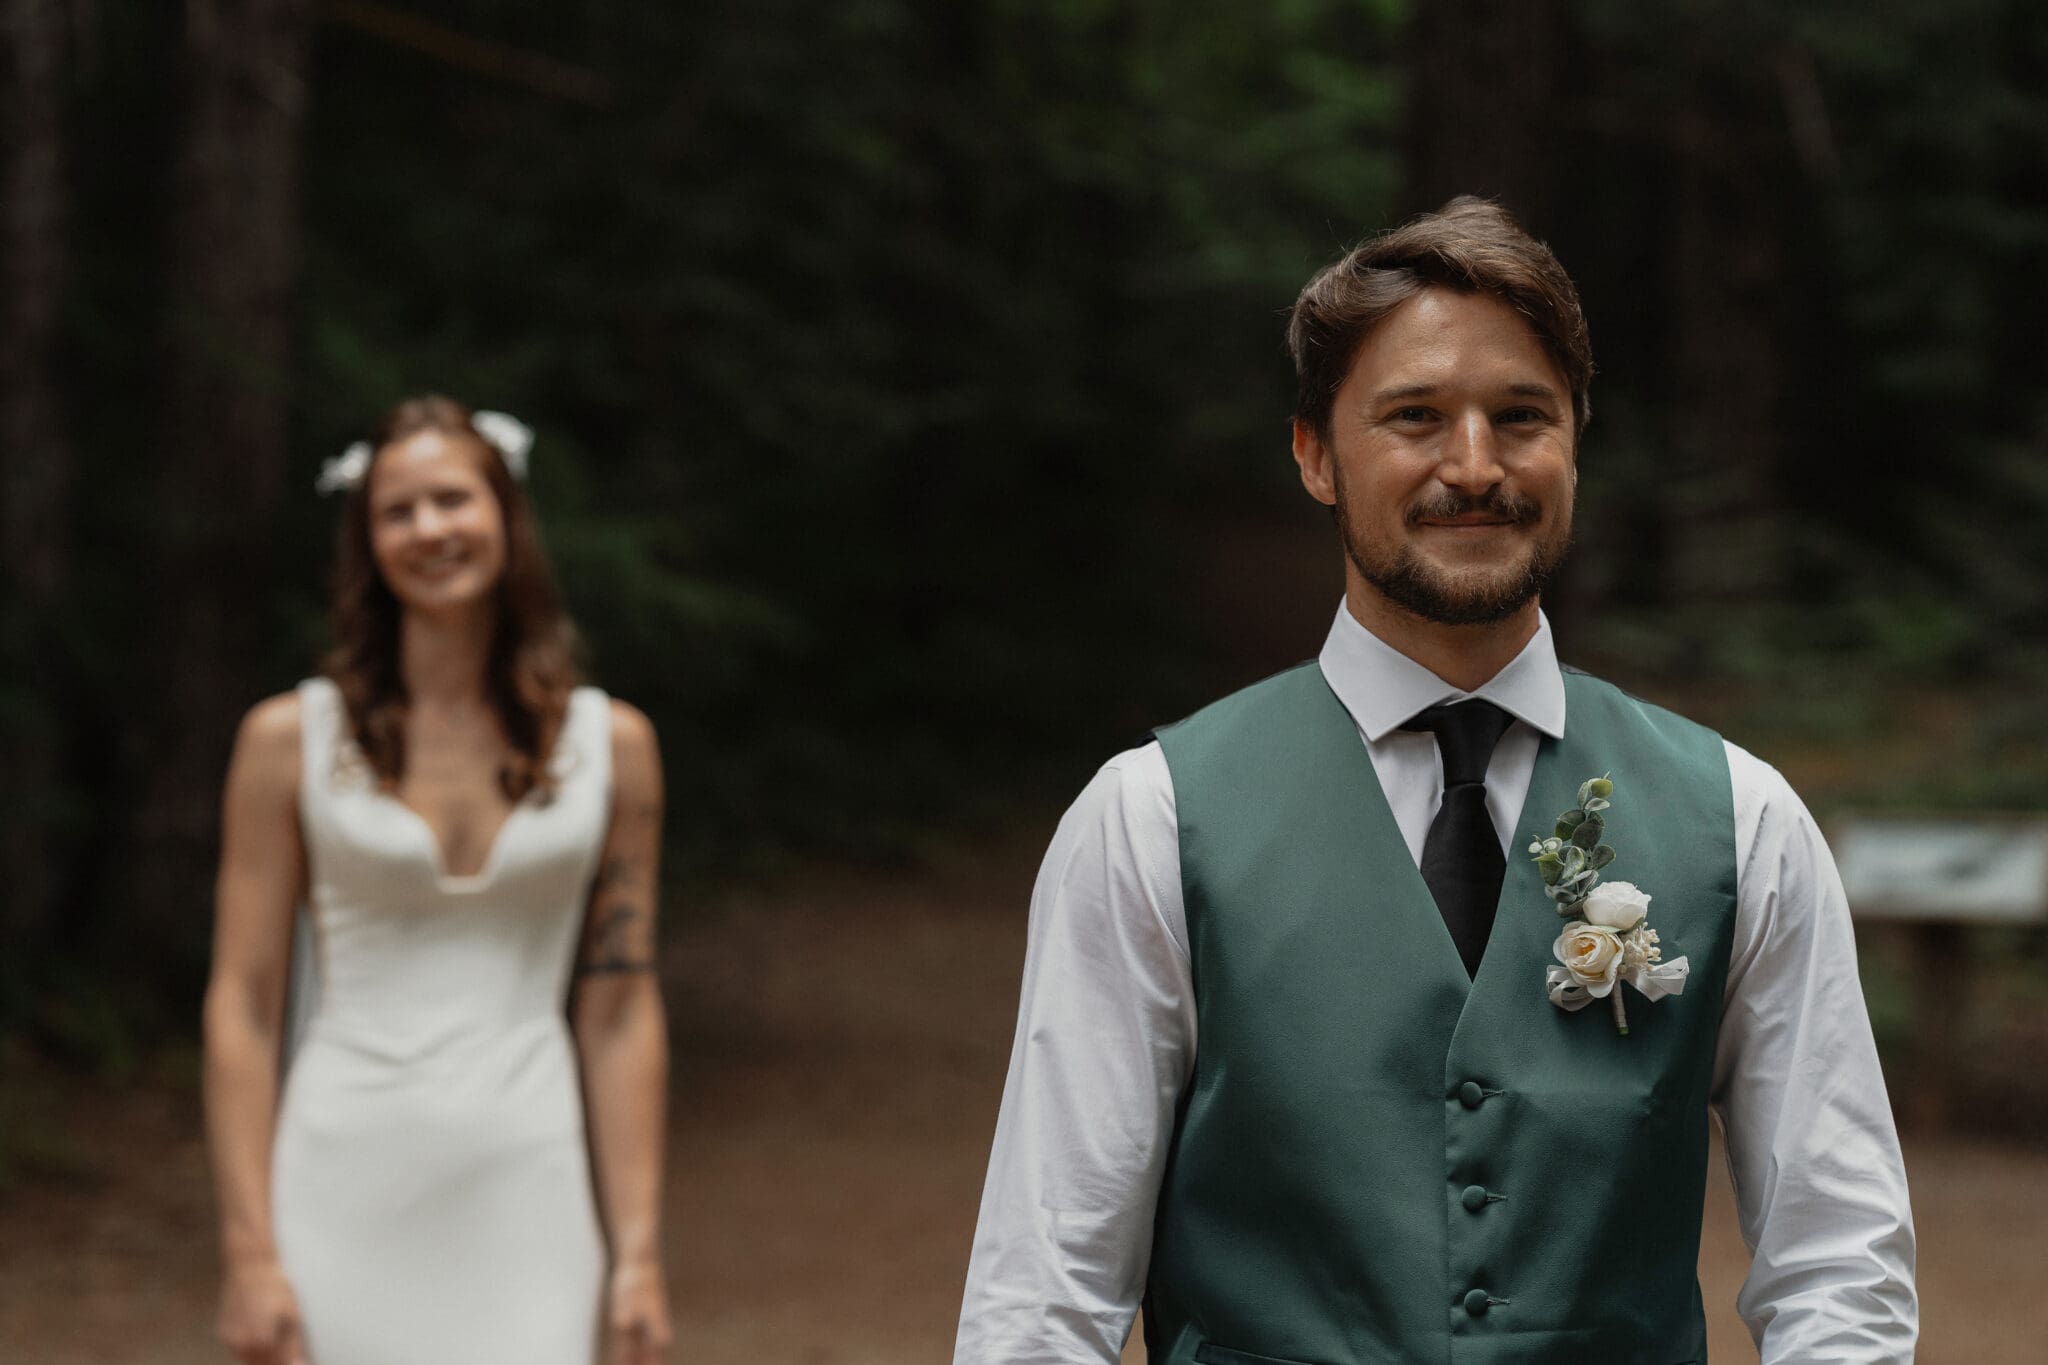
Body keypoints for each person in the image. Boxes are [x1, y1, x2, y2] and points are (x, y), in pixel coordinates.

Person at [954, 198, 1917, 1363]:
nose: (1472, 466)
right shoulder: (1151, 816)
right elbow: (1046, 1285)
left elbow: (1836, 1256)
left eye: (1520, 417)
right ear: (1314, 455)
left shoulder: (1739, 818)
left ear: (1573, 445)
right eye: (1414, 417)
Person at [202, 396, 674, 1365]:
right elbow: (243, 1003)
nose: (429, 529)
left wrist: (637, 1249)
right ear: (366, 540)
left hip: (528, 1183)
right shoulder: (288, 742)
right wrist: (250, 1252)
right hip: (341, 1182)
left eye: (452, 499)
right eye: (397, 510)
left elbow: (620, 1006)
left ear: (506, 515)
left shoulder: (612, 747)